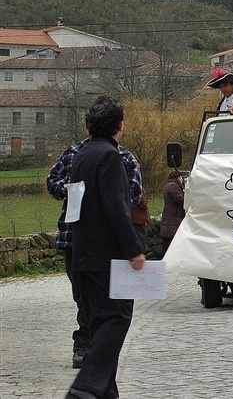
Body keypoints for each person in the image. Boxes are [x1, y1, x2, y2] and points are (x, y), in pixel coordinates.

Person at [66, 96, 145, 399]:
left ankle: (105, 393)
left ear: (88, 126)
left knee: (100, 322)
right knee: (116, 318)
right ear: (120, 125)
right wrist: (134, 249)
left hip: (83, 252)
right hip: (108, 257)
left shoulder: (81, 155)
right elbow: (116, 207)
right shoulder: (111, 157)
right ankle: (86, 388)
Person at [47, 137, 144, 370]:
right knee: (83, 297)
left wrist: (102, 196)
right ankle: (87, 346)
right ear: (120, 126)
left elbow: (135, 194)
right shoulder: (72, 152)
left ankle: (91, 348)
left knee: (112, 304)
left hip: (110, 242)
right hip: (73, 237)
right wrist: (68, 188)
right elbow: (52, 183)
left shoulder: (124, 157)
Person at [159, 170, 185, 257]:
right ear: (178, 177)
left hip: (171, 218)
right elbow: (181, 200)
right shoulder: (174, 186)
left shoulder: (170, 185)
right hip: (173, 219)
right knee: (170, 242)